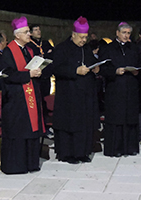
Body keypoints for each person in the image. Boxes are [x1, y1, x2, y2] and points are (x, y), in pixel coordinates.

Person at [0, 16, 45, 174]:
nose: (29, 35)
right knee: (19, 132)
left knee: (30, 130)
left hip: (30, 96)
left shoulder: (30, 50)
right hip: (16, 101)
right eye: (26, 32)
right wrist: (28, 75)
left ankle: (31, 163)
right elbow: (7, 74)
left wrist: (38, 71)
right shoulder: (8, 51)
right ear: (17, 35)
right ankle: (17, 166)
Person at [52, 16, 100, 164]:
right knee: (69, 124)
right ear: (73, 35)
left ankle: (82, 152)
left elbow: (92, 63)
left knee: (83, 125)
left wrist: (96, 68)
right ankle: (67, 154)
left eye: (85, 37)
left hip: (85, 95)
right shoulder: (61, 48)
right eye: (81, 37)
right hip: (68, 94)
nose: (83, 40)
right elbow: (56, 69)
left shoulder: (86, 49)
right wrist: (75, 71)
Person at [99, 22, 141, 157]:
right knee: (116, 119)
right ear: (117, 33)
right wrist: (115, 71)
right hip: (115, 88)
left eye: (128, 33)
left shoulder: (134, 48)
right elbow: (102, 68)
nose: (126, 36)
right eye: (124, 33)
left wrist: (137, 71)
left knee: (130, 119)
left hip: (131, 89)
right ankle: (115, 149)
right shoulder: (108, 48)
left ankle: (130, 148)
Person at [27, 24, 54, 134]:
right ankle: (39, 126)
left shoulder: (46, 43)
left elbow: (53, 54)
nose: (39, 31)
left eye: (39, 29)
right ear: (31, 33)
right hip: (36, 78)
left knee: (46, 102)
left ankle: (46, 126)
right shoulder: (30, 45)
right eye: (36, 30)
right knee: (38, 103)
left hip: (46, 77)